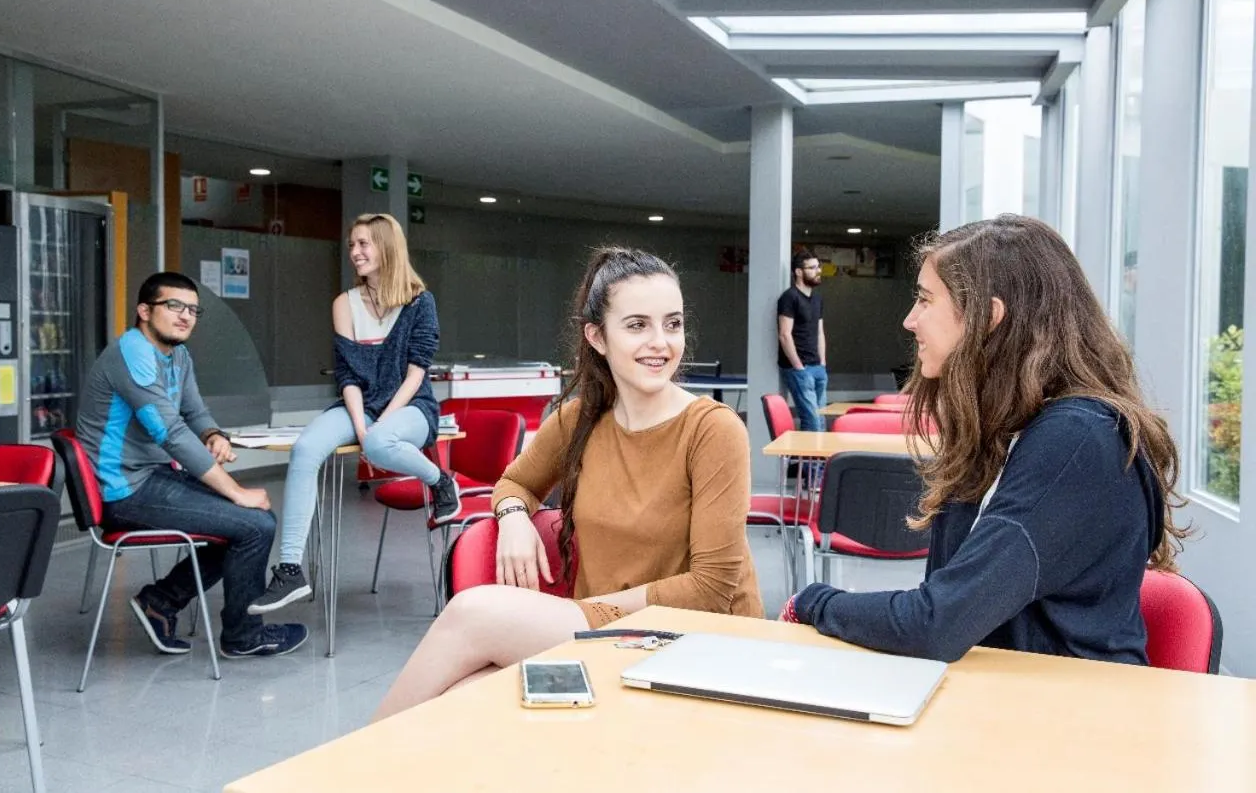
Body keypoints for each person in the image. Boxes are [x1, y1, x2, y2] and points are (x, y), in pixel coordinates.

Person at [372, 247, 763, 720]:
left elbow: (711, 588)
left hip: (699, 645)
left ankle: (340, 771)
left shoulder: (714, 430)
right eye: (637, 325)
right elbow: (515, 482)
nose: (661, 342)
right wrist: (514, 517)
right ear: (596, 336)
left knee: (469, 614)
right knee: (461, 698)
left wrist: (585, 612)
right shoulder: (579, 420)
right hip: (612, 637)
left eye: (673, 323)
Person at [780, 215, 1188, 664]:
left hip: (1075, 716)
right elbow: (947, 604)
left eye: (924, 299)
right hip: (1006, 694)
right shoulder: (1008, 428)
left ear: (988, 318)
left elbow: (938, 624)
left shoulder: (1076, 439)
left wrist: (813, 602)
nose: (909, 320)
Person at [76, 272, 307, 657]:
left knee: (246, 523)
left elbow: (193, 411)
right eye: (174, 306)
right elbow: (169, 433)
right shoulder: (133, 354)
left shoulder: (176, 355)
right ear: (144, 310)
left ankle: (161, 602)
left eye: (192, 309)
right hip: (123, 489)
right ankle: (243, 637)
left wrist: (213, 433)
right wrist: (236, 491)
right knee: (253, 524)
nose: (185, 316)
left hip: (151, 477)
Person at [248, 213, 459, 614]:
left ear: (386, 247)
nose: (355, 253)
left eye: (363, 244)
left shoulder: (419, 301)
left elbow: (416, 374)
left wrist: (376, 429)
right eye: (352, 245)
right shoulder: (344, 303)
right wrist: (361, 425)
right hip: (359, 401)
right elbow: (347, 375)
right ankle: (290, 567)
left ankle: (440, 481)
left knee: (381, 442)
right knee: (307, 447)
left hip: (410, 404)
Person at [777, 248, 827, 431]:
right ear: (798, 272)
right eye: (812, 267)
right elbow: (784, 334)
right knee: (812, 420)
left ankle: (818, 461)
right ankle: (808, 460)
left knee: (821, 420)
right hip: (799, 369)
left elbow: (820, 331)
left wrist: (823, 362)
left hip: (818, 367)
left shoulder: (817, 299)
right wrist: (798, 366)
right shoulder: (789, 298)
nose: (818, 271)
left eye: (818, 267)